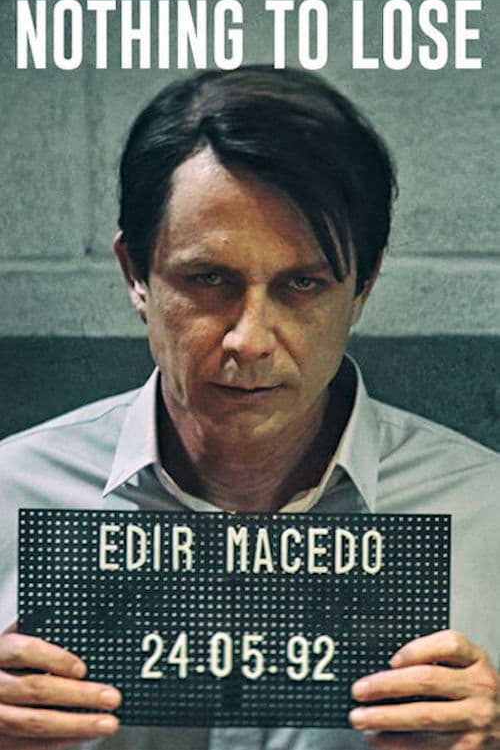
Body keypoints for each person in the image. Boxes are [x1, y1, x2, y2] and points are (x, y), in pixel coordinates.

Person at [0, 67, 498, 750]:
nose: (250, 340)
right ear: (135, 274)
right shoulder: (9, 495)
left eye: (303, 284)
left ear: (363, 285)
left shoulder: (485, 515)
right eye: (208, 279)